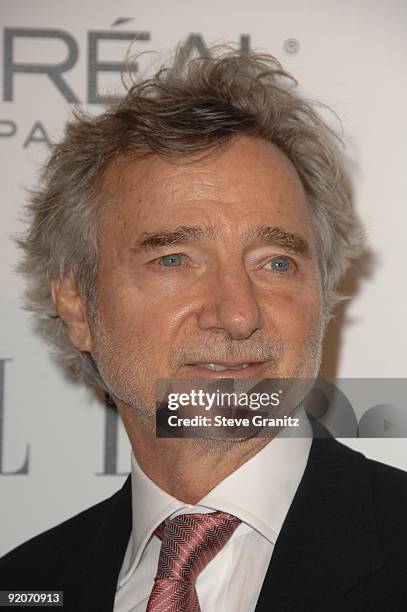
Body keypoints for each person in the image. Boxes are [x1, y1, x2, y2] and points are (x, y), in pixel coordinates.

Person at [1, 45, 406, 611]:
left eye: (276, 262)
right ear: (76, 304)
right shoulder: (26, 583)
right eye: (175, 260)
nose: (239, 314)